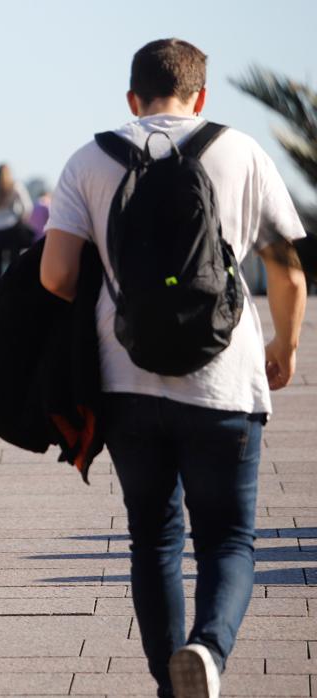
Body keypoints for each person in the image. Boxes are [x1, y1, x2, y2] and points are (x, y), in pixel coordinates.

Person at [40, 38, 307, 698]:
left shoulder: (91, 158)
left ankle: (171, 684)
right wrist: (285, 346)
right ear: (202, 95)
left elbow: (57, 274)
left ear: (132, 98)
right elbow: (288, 273)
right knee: (228, 540)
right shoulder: (242, 151)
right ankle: (209, 652)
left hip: (127, 379)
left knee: (153, 539)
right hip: (225, 377)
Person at [0, 163, 33, 281]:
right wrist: (21, 218)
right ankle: (13, 284)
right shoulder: (15, 186)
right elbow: (27, 206)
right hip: (12, 226)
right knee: (13, 258)